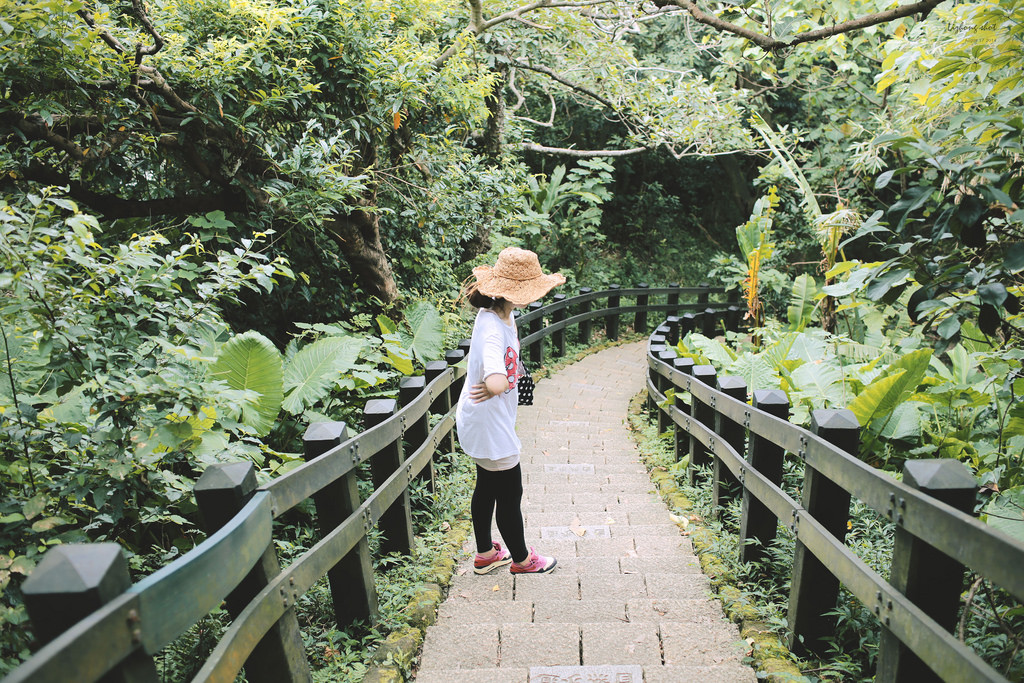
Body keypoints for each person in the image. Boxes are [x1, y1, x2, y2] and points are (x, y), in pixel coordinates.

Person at [456, 247, 565, 575]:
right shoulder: (492, 327)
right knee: (509, 492)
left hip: (484, 419)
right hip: (489, 425)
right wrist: (496, 385)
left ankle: (486, 553)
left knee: (487, 487)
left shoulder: (500, 313)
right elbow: (496, 378)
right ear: (513, 292)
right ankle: (521, 559)